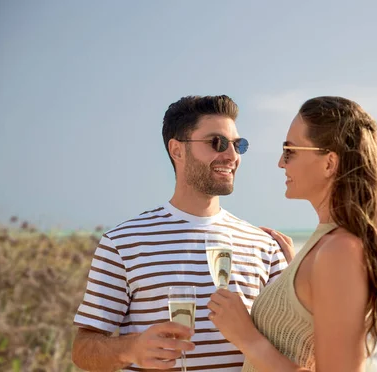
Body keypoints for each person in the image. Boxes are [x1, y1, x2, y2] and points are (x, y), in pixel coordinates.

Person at [71, 95, 288, 371]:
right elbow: (83, 349)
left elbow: (292, 348)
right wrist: (130, 349)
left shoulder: (264, 246)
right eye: (216, 143)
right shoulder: (123, 243)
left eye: (238, 145)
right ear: (177, 150)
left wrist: (298, 273)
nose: (232, 156)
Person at [207, 96, 377, 372]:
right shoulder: (325, 247)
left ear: (329, 163)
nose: (280, 163)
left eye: (289, 151)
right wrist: (295, 274)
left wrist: (246, 338)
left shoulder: (339, 251)